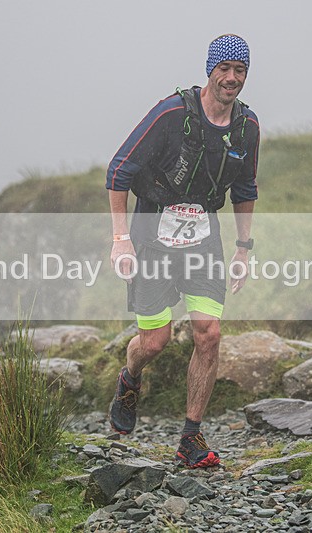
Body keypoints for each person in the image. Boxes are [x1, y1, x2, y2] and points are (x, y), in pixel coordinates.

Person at [106, 35, 260, 468]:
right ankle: (130, 378)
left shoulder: (247, 128)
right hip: (153, 234)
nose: (231, 78)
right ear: (209, 70)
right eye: (224, 68)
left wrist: (243, 249)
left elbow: (245, 190)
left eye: (240, 70)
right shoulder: (172, 114)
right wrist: (121, 239)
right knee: (154, 341)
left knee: (208, 334)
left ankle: (190, 438)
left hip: (203, 237)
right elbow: (118, 171)